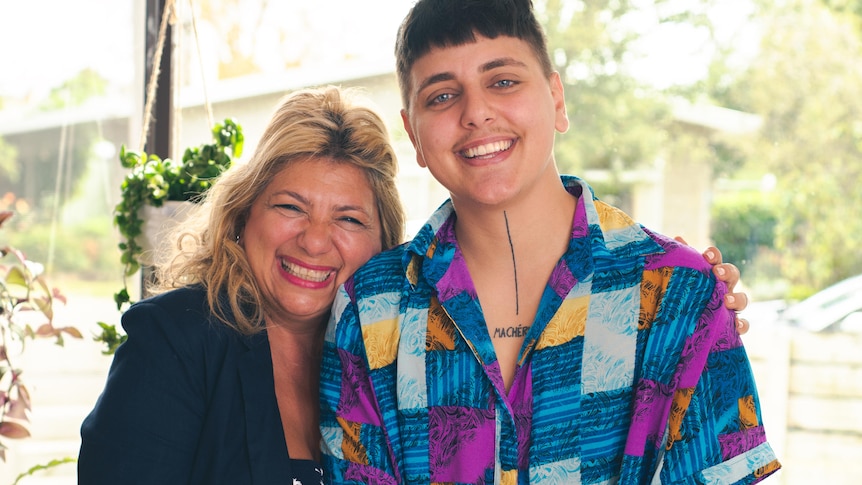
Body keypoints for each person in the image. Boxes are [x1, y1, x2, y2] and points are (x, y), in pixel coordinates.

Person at [319, 1, 780, 484]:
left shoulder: (682, 296)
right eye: (441, 96)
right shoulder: (368, 312)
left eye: (502, 82)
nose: (476, 113)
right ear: (412, 132)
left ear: (557, 100)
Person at [78, 86, 405, 484]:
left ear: (383, 244)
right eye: (291, 207)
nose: (315, 241)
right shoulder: (173, 341)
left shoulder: (392, 366)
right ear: (243, 214)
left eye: (349, 219)